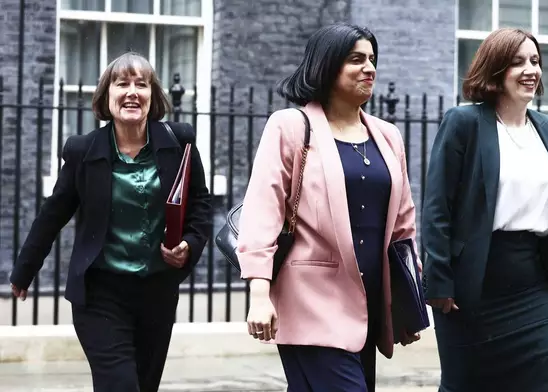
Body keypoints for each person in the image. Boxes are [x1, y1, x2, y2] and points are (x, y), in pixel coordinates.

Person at [9, 51, 212, 392]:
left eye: (141, 84)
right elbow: (53, 214)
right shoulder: (83, 151)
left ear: (153, 96)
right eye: (122, 83)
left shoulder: (179, 142)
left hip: (156, 294)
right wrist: (24, 270)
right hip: (100, 294)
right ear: (107, 96)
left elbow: (201, 206)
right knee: (120, 385)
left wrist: (189, 246)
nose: (132, 91)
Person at [236, 23, 420, 392]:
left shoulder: (387, 135)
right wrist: (259, 294)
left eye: (372, 59)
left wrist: (406, 303)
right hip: (311, 303)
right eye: (356, 59)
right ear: (327, 64)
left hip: (368, 307)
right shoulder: (290, 126)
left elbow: (403, 228)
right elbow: (262, 213)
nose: (369, 68)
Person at [421, 28, 548, 392]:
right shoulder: (463, 123)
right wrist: (438, 282)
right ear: (496, 69)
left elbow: (546, 204)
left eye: (535, 61)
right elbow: (437, 208)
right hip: (472, 288)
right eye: (518, 62)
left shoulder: (546, 127)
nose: (530, 70)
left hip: (532, 283)